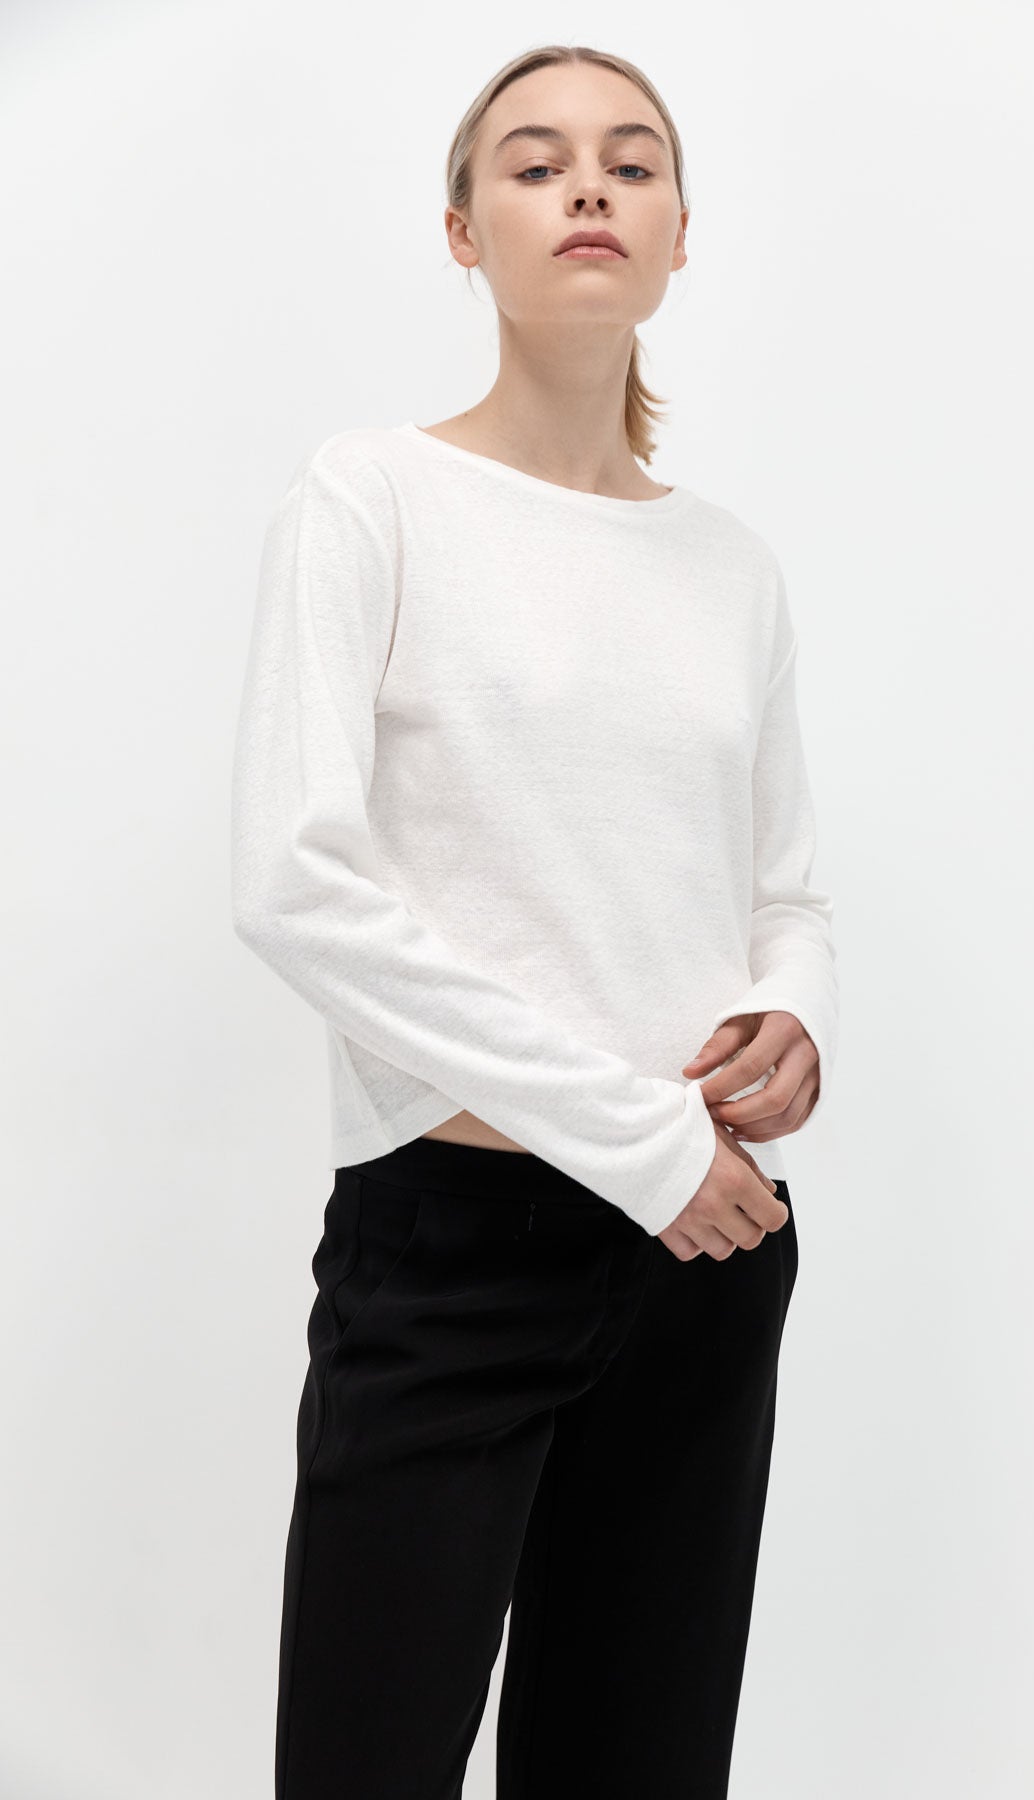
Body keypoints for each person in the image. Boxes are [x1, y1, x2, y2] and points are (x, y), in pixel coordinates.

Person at [230, 40, 839, 1800]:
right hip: (458, 1241)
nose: (589, 186)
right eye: (536, 160)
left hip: (706, 1249)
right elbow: (295, 884)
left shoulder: (729, 564)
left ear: (677, 234)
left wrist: (796, 1012)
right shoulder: (372, 498)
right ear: (462, 229)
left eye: (633, 163)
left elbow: (784, 887)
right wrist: (635, 1139)